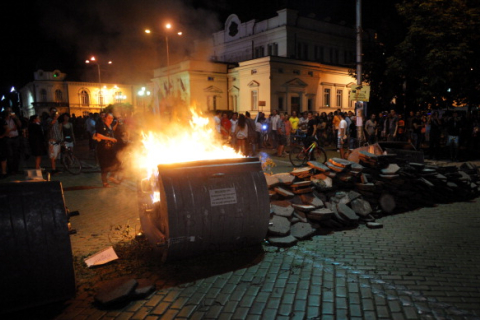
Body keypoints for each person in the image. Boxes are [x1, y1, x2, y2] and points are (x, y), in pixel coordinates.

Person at [95, 113, 120, 187]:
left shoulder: (110, 126)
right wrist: (110, 139)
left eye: (112, 118)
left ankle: (111, 176)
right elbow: (98, 135)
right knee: (104, 166)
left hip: (110, 148)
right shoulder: (101, 125)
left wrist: (117, 123)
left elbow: (112, 130)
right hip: (103, 149)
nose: (110, 120)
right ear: (105, 118)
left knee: (117, 162)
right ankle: (104, 182)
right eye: (109, 118)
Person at [4, 107, 22, 174]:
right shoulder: (4, 120)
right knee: (10, 154)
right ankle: (11, 169)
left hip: (15, 137)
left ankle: (15, 169)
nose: (10, 113)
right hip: (8, 137)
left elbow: (20, 125)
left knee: (16, 154)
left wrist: (16, 118)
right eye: (8, 112)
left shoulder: (14, 119)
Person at [46, 107, 63, 175]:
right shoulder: (49, 119)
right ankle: (53, 169)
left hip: (57, 140)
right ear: (50, 112)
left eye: (55, 111)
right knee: (52, 156)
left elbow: (59, 129)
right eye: (53, 111)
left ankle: (55, 168)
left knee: (56, 156)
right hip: (52, 141)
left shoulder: (57, 121)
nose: (54, 113)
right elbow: (51, 124)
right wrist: (55, 118)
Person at [0, 112, 8, 178]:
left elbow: (7, 129)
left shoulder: (2, 121)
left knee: (3, 156)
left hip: (2, 141)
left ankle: (4, 172)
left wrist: (2, 136)